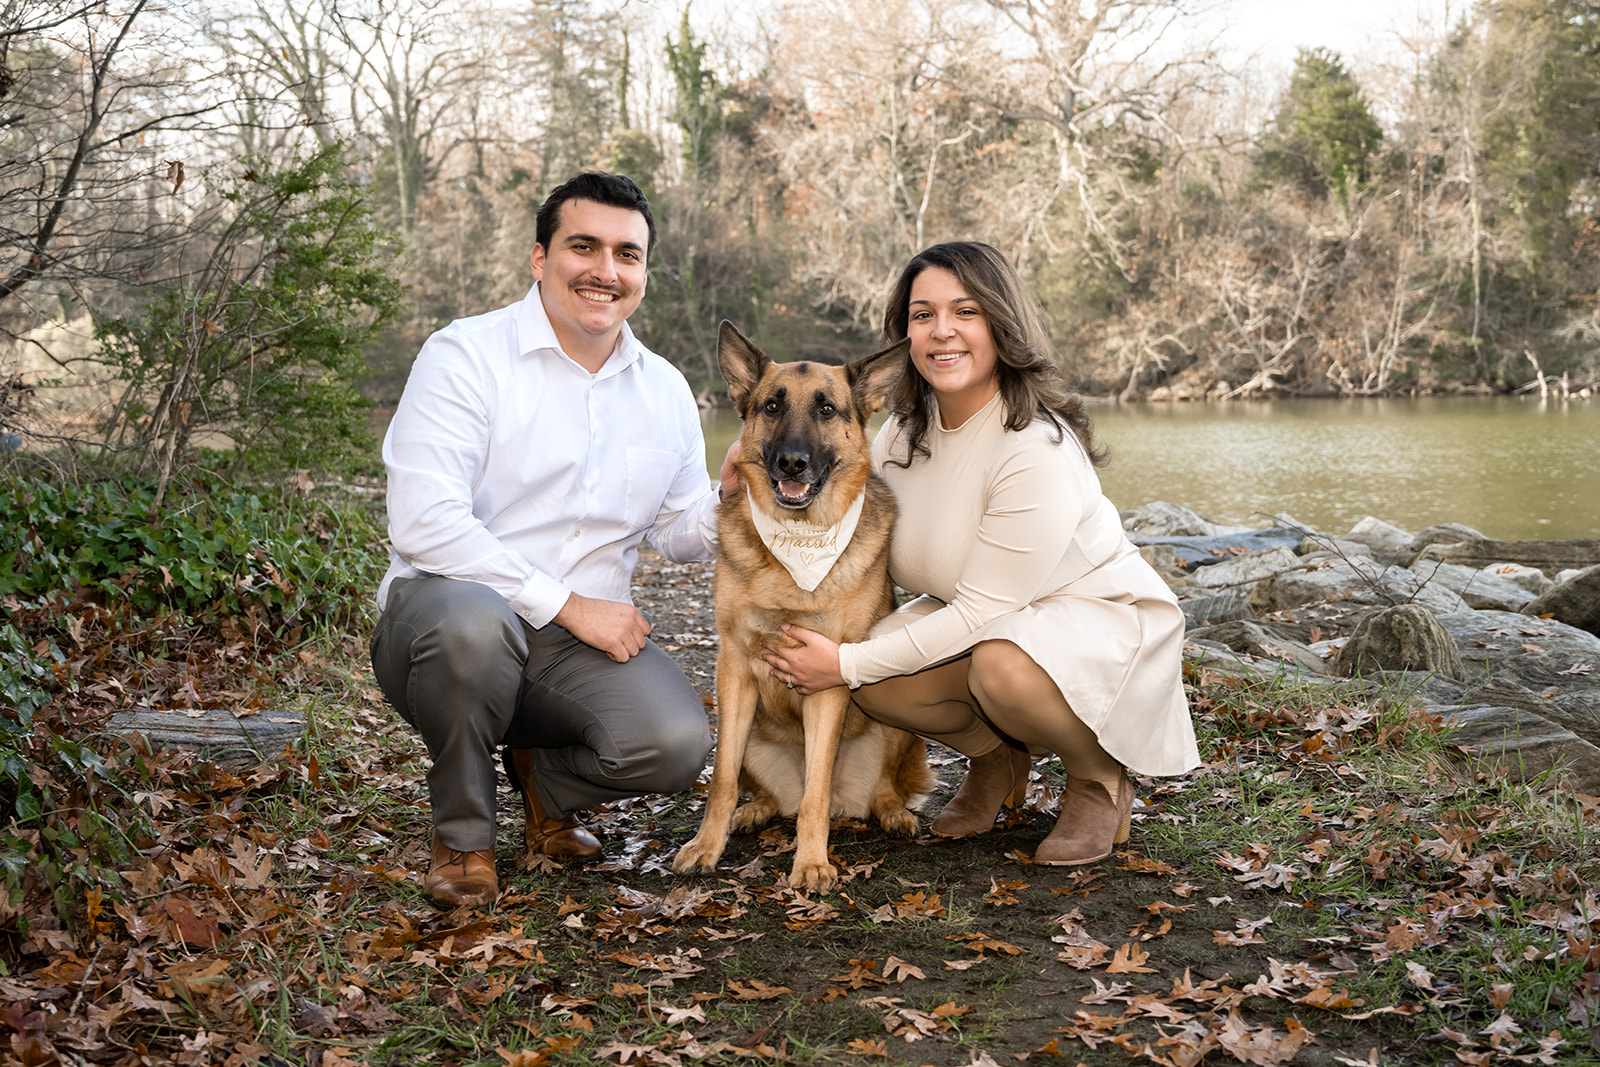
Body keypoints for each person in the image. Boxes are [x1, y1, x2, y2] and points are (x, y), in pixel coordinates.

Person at [762, 241, 1199, 865]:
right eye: (922, 315)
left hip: (1095, 618)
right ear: (905, 334)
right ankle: (997, 760)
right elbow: (831, 516)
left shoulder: (1034, 448)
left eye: (964, 311)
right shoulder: (902, 432)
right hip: (987, 619)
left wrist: (844, 663)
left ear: (1001, 322)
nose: (942, 332)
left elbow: (981, 616)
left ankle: (1100, 777)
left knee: (982, 666)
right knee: (879, 683)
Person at [370, 172, 737, 907]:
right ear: (540, 258)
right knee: (474, 625)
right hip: (444, 618)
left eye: (627, 254)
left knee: (674, 742)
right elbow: (424, 522)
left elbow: (677, 531)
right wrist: (568, 602)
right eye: (584, 247)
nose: (606, 271)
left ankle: (543, 781)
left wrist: (734, 497)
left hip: (571, 648)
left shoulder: (663, 388)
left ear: (643, 273)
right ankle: (465, 837)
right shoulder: (465, 355)